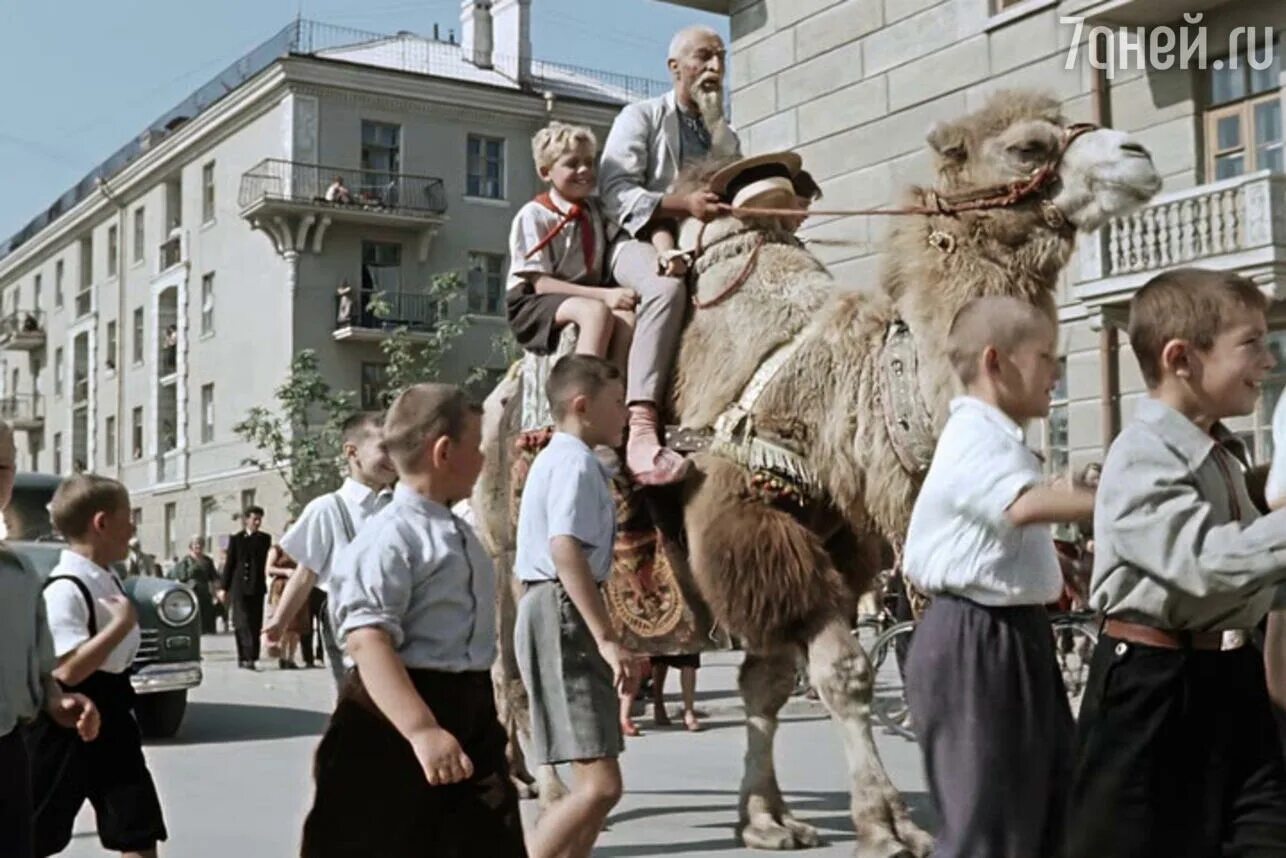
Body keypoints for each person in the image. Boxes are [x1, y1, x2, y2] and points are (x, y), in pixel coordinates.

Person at [1068, 267, 1286, 856]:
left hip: (1228, 681)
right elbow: (1206, 564)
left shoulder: (1222, 454)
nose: (1268, 361)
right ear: (1181, 359)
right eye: (1251, 343)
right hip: (1150, 689)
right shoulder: (1141, 456)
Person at [902, 296, 1094, 858]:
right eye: (1044, 356)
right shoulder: (975, 434)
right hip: (976, 638)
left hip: (1008, 632)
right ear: (996, 362)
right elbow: (1023, 507)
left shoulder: (1000, 440)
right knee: (988, 826)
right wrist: (1115, 500)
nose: (1054, 372)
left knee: (1037, 810)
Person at [299, 384, 525, 858]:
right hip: (394, 715)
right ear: (444, 452)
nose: (486, 458)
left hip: (470, 707)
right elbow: (367, 640)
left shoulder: (457, 530)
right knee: (374, 840)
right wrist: (422, 730)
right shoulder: (390, 537)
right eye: (478, 446)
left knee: (487, 837)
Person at [599, 25, 740, 485]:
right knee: (664, 289)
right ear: (675, 66)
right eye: (704, 57)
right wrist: (683, 205)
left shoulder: (725, 134)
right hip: (635, 241)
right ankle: (640, 424)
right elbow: (615, 191)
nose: (715, 69)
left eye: (721, 59)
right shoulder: (639, 117)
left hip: (704, 243)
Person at [515, 354, 638, 858]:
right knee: (600, 786)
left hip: (559, 605)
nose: (626, 414)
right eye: (617, 402)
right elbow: (564, 547)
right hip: (562, 608)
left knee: (599, 786)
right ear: (582, 406)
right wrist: (608, 639)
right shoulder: (573, 461)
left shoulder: (566, 458)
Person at [28, 473, 168, 858]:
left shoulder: (107, 579)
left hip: (114, 715)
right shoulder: (65, 588)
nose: (134, 526)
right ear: (102, 523)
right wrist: (121, 625)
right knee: (36, 832)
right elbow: (66, 672)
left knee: (137, 826)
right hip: (68, 720)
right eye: (129, 516)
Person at [0, 422, 100, 858]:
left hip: (6, 750)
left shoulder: (19, 575)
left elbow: (38, 664)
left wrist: (55, 699)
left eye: (2, 466)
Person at [267, 412, 397, 687]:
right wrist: (278, 623)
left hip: (399, 616)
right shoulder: (328, 509)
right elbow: (305, 574)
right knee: (359, 695)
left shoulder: (400, 506)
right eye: (385, 448)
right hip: (347, 618)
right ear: (352, 452)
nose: (394, 457)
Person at [507, 122, 635, 368]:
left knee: (627, 319)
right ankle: (583, 384)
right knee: (595, 313)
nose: (585, 170)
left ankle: (615, 385)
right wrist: (605, 295)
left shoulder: (596, 211)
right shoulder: (535, 215)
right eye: (572, 163)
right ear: (546, 173)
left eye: (589, 162)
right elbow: (541, 284)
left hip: (582, 294)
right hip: (534, 302)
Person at [218, 506, 272, 670]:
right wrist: (223, 588)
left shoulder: (264, 539)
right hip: (239, 586)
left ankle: (252, 656)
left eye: (259, 519)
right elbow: (230, 564)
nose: (257, 522)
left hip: (256, 587)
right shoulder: (236, 539)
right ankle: (243, 656)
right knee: (241, 622)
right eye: (254, 519)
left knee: (255, 623)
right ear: (246, 519)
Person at [264, 528, 307, 670]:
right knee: (285, 623)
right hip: (281, 587)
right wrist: (285, 571)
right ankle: (282, 656)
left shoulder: (302, 549)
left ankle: (291, 657)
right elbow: (268, 569)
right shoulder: (277, 549)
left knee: (296, 625)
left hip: (299, 586)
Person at [166, 536, 219, 635]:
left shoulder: (207, 561)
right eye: (195, 544)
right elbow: (181, 577)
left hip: (205, 590)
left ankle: (206, 629)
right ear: (191, 546)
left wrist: (216, 592)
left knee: (206, 611)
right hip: (192, 590)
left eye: (200, 544)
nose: (198, 546)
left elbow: (214, 577)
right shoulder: (186, 561)